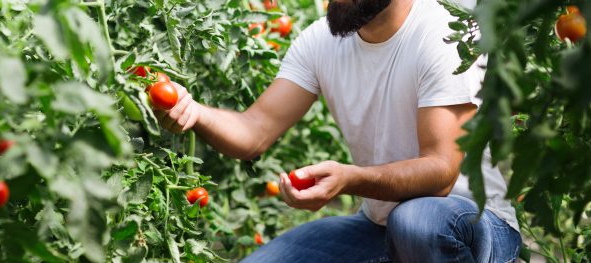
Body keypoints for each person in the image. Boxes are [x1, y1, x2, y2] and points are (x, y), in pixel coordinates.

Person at [155, 0, 521, 261]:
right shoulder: (319, 42)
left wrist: (350, 179)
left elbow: (440, 172)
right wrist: (194, 112)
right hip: (379, 226)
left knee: (416, 221)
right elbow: (255, 129)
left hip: (472, 222)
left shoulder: (442, 32)